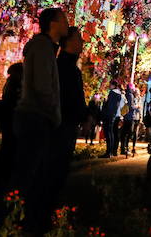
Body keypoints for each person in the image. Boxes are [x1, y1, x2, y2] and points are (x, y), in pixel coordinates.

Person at [11, 8, 65, 233]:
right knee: (29, 171)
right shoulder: (42, 47)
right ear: (53, 23)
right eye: (64, 20)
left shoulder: (45, 47)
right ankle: (17, 219)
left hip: (36, 116)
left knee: (29, 169)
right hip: (36, 117)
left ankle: (19, 216)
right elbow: (43, 86)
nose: (67, 24)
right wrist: (55, 113)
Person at [53, 26, 86, 191]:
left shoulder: (71, 67)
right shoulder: (63, 68)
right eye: (79, 38)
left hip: (68, 124)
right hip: (62, 125)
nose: (82, 41)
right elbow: (69, 97)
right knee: (56, 171)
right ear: (68, 42)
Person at [0, 62, 23, 191]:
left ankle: (1, 177)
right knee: (10, 148)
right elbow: (15, 102)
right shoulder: (16, 84)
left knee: (7, 147)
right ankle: (4, 178)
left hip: (8, 120)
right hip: (12, 119)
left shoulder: (9, 83)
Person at [100, 79, 124, 158]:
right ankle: (110, 151)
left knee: (108, 133)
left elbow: (109, 106)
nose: (109, 86)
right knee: (111, 133)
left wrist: (105, 103)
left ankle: (108, 152)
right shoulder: (119, 94)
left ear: (113, 85)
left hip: (108, 115)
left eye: (110, 84)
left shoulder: (112, 93)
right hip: (113, 115)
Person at [120, 85, 141, 156]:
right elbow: (131, 107)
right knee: (128, 133)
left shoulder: (135, 97)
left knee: (130, 133)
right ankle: (125, 148)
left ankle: (127, 148)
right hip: (131, 117)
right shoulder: (131, 96)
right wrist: (137, 107)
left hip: (133, 117)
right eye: (136, 91)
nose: (137, 93)